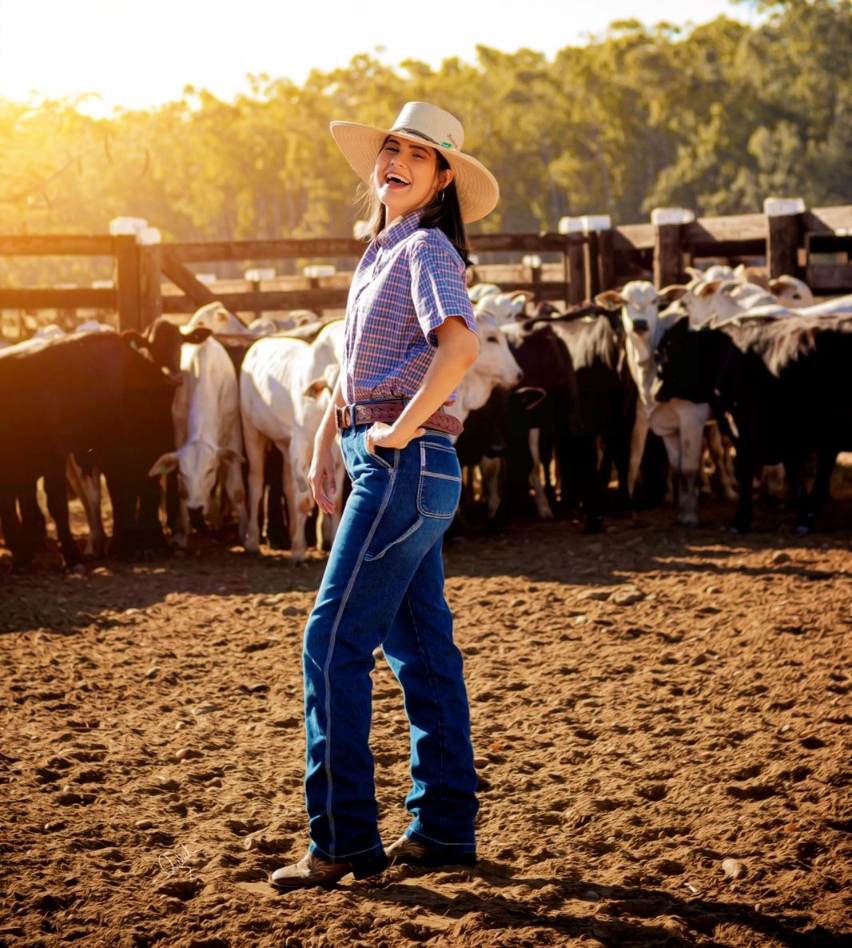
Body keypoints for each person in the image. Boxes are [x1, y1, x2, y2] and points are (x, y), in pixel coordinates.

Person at [269, 102, 500, 890]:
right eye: (390, 149)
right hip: (394, 464)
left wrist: (395, 433)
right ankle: (443, 828)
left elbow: (461, 344)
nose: (394, 161)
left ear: (441, 181)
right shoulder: (381, 251)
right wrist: (323, 447)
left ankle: (341, 842)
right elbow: (353, 365)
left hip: (404, 462)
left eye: (416, 154)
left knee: (331, 642)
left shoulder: (428, 248)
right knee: (421, 648)